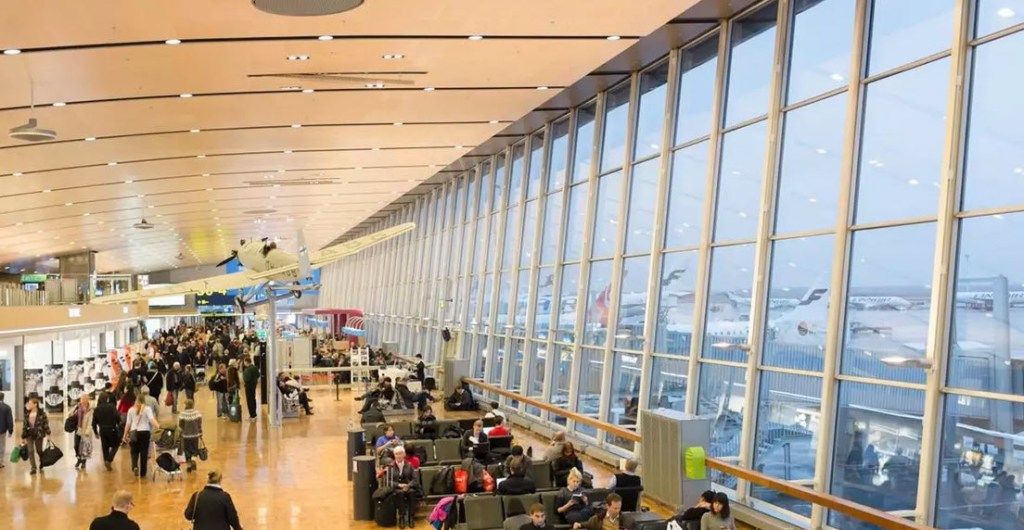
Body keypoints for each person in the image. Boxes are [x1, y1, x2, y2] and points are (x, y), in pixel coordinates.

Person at [122, 395, 159, 478]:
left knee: (134, 451)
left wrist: (125, 434)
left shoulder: (131, 410)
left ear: (136, 400)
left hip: (133, 432)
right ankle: (143, 473)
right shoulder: (147, 409)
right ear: (144, 400)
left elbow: (128, 424)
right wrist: (159, 427)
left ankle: (135, 466)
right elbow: (152, 420)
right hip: (145, 432)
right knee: (144, 453)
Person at [385, 446, 420, 529]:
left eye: (400, 454)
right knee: (400, 493)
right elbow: (388, 481)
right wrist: (398, 485)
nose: (398, 456)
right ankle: (402, 517)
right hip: (397, 488)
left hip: (408, 486)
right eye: (396, 454)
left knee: (412, 492)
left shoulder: (409, 465)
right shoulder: (390, 466)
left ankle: (411, 517)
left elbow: (415, 479)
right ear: (394, 455)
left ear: (404, 454)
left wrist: (408, 485)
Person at [21, 397, 50, 474]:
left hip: (38, 434)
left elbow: (45, 424)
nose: (28, 405)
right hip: (29, 434)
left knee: (39, 450)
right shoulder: (27, 413)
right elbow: (24, 425)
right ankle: (33, 467)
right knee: (30, 451)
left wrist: (48, 434)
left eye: (30, 403)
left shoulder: (42, 413)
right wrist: (23, 436)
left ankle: (42, 461)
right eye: (28, 403)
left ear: (35, 404)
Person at [93, 393, 122, 471]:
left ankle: (106, 461)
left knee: (105, 447)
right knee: (115, 445)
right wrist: (118, 424)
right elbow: (117, 417)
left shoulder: (97, 409)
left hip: (102, 430)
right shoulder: (112, 407)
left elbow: (94, 422)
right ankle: (109, 459)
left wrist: (96, 432)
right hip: (112, 429)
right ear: (107, 399)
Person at [179, 398, 204, 472]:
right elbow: (199, 424)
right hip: (195, 435)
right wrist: (200, 433)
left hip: (186, 436)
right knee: (194, 449)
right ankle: (193, 460)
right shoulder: (197, 413)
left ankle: (189, 466)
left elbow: (181, 425)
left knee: (187, 450)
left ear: (186, 405)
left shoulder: (183, 414)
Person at [73, 395, 96, 469]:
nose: (83, 401)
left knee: (84, 447)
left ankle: (83, 462)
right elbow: (71, 415)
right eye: (82, 399)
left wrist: (87, 431)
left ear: (87, 400)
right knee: (76, 445)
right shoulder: (77, 407)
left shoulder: (90, 410)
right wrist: (73, 413)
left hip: (85, 430)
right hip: (78, 429)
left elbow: (90, 422)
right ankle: (79, 458)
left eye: (85, 399)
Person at [242, 357, 260, 421]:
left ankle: (252, 415)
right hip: (254, 386)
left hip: (248, 386)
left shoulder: (248, 369)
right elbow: (258, 375)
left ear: (246, 362)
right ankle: (254, 414)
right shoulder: (255, 368)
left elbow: (247, 379)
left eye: (244, 362)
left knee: (249, 401)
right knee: (253, 399)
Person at [0, 392, 13, 470]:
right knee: (1, 446)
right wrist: (10, 430)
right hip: (2, 430)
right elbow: (9, 420)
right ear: (3, 398)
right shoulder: (7, 407)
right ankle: (0, 462)